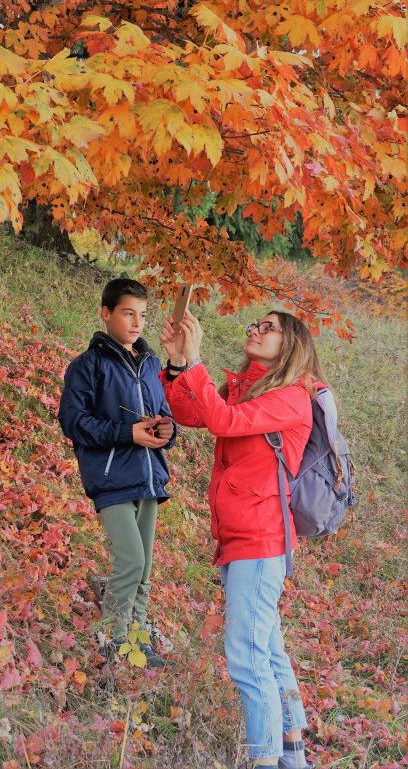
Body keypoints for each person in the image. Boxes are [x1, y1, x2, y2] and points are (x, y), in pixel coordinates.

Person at [159, 309, 318, 769]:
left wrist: (196, 361)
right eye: (255, 323)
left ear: (291, 345)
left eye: (269, 328)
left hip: (260, 538)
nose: (255, 329)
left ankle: (266, 760)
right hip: (239, 536)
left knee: (247, 659)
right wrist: (178, 364)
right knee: (266, 650)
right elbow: (193, 412)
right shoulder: (250, 387)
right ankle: (292, 756)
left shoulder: (291, 397)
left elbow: (224, 421)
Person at [58, 278, 177, 667]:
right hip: (111, 480)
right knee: (130, 562)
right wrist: (128, 433)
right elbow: (74, 422)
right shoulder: (87, 366)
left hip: (148, 478)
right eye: (128, 313)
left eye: (142, 315)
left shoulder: (152, 364)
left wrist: (165, 430)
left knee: (145, 569)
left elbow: (166, 413)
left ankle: (136, 641)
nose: (137, 322)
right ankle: (111, 640)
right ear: (106, 314)